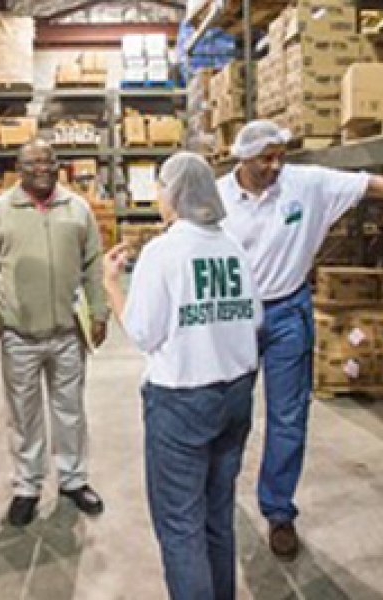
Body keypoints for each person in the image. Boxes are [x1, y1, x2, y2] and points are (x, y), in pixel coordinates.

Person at [216, 120, 383, 562]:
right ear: (241, 158)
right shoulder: (218, 197)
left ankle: (278, 511)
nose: (275, 165)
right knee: (230, 414)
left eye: (279, 155)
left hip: (288, 310)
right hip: (233, 316)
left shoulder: (308, 184)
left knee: (288, 418)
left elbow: (378, 185)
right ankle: (218, 500)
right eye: (264, 158)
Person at [104, 152, 261, 600]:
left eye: (160, 187)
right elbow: (250, 319)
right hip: (235, 394)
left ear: (174, 192)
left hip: (182, 402)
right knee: (217, 516)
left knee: (180, 525)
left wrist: (112, 285)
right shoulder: (232, 247)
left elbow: (142, 332)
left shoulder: (164, 252)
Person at [0, 139, 109, 527]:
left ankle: (74, 480)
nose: (42, 169)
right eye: (32, 163)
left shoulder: (77, 209)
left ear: (57, 165)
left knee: (70, 410)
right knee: (24, 414)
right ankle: (27, 486)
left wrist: (100, 310)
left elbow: (93, 266)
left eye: (48, 161)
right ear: (19, 167)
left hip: (66, 332)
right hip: (19, 335)